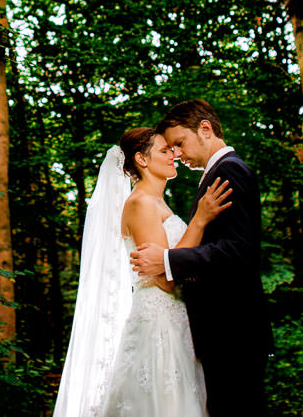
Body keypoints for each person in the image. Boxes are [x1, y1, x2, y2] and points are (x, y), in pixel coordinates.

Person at [53, 127, 231, 417]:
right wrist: (199, 221)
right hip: (159, 322)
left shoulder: (158, 203)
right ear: (142, 159)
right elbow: (165, 280)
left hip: (177, 319)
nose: (174, 154)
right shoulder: (140, 204)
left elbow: (170, 262)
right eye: (164, 150)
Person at [129, 100, 272, 416]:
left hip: (233, 333)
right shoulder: (215, 174)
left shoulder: (229, 171)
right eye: (170, 148)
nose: (177, 153)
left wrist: (167, 262)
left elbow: (238, 252)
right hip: (220, 333)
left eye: (179, 143)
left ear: (205, 129)